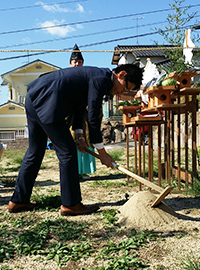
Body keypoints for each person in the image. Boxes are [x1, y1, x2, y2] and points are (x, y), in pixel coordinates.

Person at [8, 64, 142, 215]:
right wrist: (102, 152)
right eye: (125, 87)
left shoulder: (95, 76)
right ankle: (71, 204)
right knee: (68, 152)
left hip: (34, 98)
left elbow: (79, 107)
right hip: (48, 101)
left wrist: (79, 136)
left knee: (35, 149)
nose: (122, 92)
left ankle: (18, 200)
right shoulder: (102, 80)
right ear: (121, 74)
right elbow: (92, 116)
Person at [69, 44, 96, 180]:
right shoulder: (66, 77)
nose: (77, 64)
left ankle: (84, 170)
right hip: (70, 114)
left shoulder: (87, 77)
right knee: (73, 141)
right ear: (70, 63)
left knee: (86, 139)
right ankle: (74, 172)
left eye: (79, 62)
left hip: (85, 114)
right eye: (75, 62)